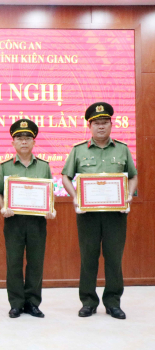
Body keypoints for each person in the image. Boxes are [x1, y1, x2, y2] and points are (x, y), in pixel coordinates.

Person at [61, 102, 138, 320]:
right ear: (89, 126)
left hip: (116, 215)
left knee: (114, 258)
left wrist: (129, 195)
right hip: (88, 216)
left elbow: (132, 175)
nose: (101, 127)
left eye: (105, 123)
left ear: (111, 124)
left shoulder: (122, 149)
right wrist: (75, 197)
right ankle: (88, 302)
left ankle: (113, 302)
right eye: (96, 123)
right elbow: (66, 176)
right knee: (89, 258)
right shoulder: (78, 150)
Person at [0, 119, 56, 319]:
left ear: (34, 141)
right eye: (19, 138)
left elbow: (48, 195)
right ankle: (16, 303)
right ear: (13, 142)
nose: (24, 141)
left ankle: (32, 303)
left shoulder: (44, 166)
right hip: (14, 222)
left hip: (37, 222)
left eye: (28, 137)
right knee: (14, 263)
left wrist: (51, 209)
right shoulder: (5, 166)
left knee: (36, 263)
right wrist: (3, 207)